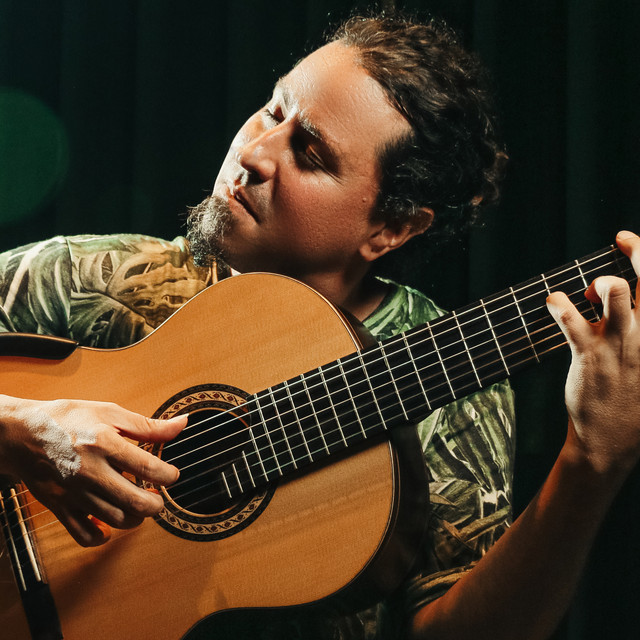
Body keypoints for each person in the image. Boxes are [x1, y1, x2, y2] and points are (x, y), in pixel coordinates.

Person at [0, 13, 638, 640]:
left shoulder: (458, 382)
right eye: (273, 111)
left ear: (391, 228)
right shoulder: (95, 278)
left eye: (309, 154)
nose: (253, 153)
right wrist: (21, 429)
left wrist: (591, 462)